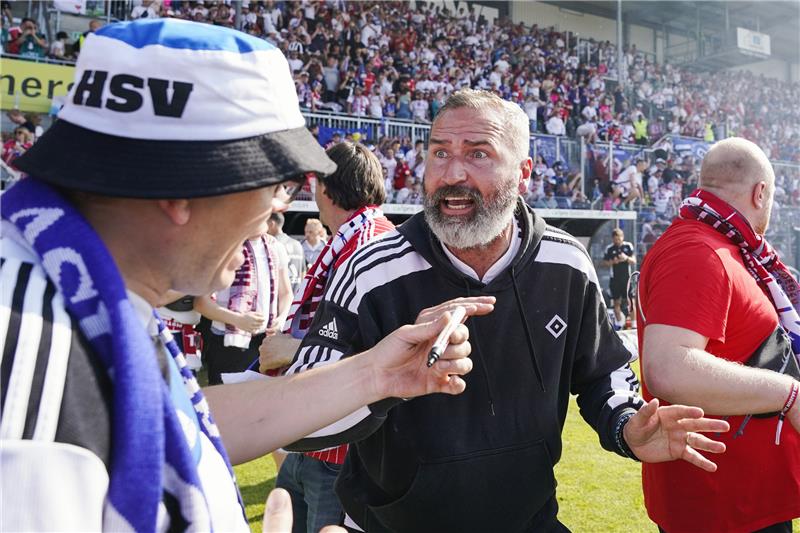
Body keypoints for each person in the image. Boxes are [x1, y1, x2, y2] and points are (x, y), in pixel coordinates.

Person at [0, 19, 478, 531]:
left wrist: (377, 374)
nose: (282, 205)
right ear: (183, 191)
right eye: (276, 184)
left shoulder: (65, 298)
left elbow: (173, 420)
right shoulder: (36, 359)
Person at [282, 89, 729, 533]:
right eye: (439, 153)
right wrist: (383, 379)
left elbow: (602, 372)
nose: (451, 173)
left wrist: (627, 424)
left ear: (523, 174)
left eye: (478, 154)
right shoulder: (371, 269)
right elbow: (301, 419)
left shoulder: (566, 262)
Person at [637, 137, 800, 533]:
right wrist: (789, 393)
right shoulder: (699, 250)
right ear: (761, 193)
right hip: (724, 507)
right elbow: (669, 368)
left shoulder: (721, 247)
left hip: (744, 500)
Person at [261, 141, 395, 533]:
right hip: (313, 435)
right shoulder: (349, 237)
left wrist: (292, 348)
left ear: (326, 185)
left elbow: (381, 343)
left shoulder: (369, 240)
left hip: (339, 447)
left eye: (315, 179)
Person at [195, 232, 293, 385]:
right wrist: (237, 320)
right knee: (226, 403)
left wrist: (281, 319)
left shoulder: (275, 247)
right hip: (229, 343)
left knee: (260, 402)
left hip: (266, 341)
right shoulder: (223, 246)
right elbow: (201, 303)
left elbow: (286, 293)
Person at [602, 228, 636, 329]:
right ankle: (620, 323)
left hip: (627, 278)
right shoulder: (609, 248)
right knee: (616, 302)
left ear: (622, 237)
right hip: (615, 279)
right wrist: (613, 262)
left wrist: (626, 258)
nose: (617, 241)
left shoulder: (628, 246)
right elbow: (604, 263)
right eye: (615, 239)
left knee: (630, 300)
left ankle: (634, 324)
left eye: (619, 238)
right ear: (613, 239)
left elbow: (633, 261)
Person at [268, 211, 307, 294]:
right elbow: (303, 272)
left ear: (271, 224)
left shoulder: (273, 244)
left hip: (280, 298)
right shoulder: (297, 244)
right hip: (296, 296)